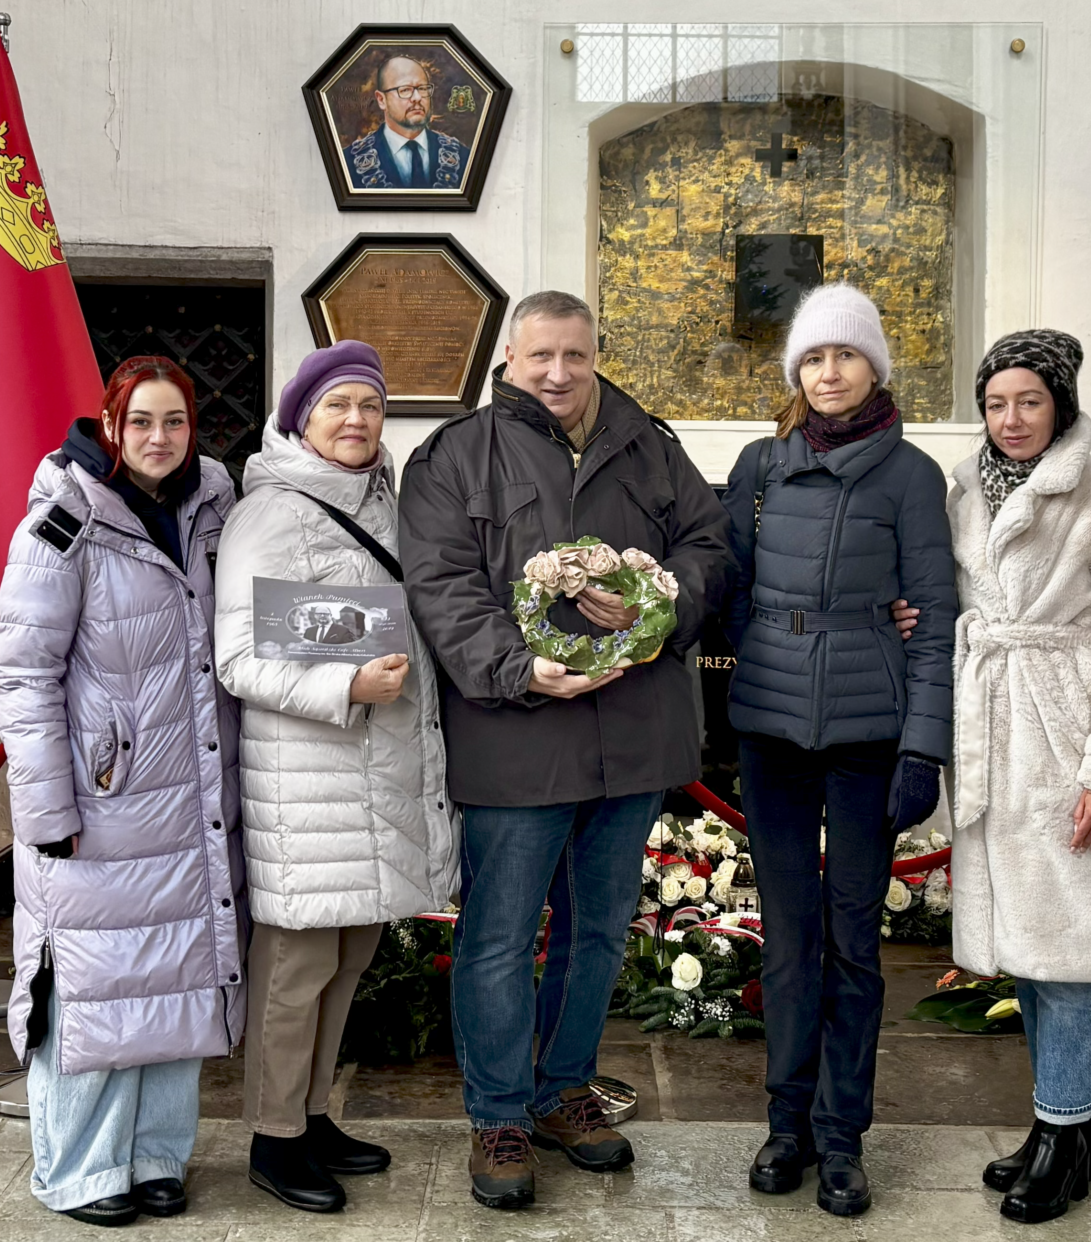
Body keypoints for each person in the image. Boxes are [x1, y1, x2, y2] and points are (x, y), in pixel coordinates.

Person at [400, 291, 734, 1210]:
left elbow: (709, 545)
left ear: (595, 356)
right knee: (502, 936)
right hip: (517, 735)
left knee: (596, 930)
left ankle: (563, 1091)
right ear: (509, 356)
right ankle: (500, 1113)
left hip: (633, 736)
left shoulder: (650, 445)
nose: (557, 373)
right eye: (540, 355)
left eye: (575, 356)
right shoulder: (454, 457)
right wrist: (517, 669)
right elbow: (440, 584)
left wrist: (663, 605)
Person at [720, 285, 958, 1218]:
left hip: (868, 737)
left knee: (853, 943)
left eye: (845, 357)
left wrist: (922, 747)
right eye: (813, 359)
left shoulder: (909, 476)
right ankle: (787, 1125)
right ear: (797, 372)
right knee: (787, 941)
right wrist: (756, 662)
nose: (828, 374)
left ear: (874, 368)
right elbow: (729, 583)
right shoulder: (760, 466)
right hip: (772, 732)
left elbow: (933, 615)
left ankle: (844, 1134)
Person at [0, 355, 244, 1229]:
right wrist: (45, 810)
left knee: (177, 976)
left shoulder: (213, 507)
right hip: (100, 800)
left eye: (174, 421)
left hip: (189, 793)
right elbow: (22, 674)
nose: (159, 438)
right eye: (141, 421)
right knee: (95, 986)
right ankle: (79, 1170)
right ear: (110, 425)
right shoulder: (62, 524)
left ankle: (154, 1155)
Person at [213, 341, 458, 1214]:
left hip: (373, 770)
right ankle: (273, 1139)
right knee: (298, 964)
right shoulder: (272, 512)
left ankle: (313, 1114)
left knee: (350, 954)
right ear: (300, 418)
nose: (356, 421)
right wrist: (345, 683)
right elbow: (238, 656)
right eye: (337, 406)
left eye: (369, 405)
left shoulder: (386, 501)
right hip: (307, 781)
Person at [947, 330, 1091, 1224]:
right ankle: (1051, 1127)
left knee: (1069, 955)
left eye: (1029, 402)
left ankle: (1071, 1138)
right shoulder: (963, 490)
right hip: (996, 736)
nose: (1011, 420)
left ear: (1062, 403)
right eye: (996, 403)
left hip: (1066, 737)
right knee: (1030, 953)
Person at [342, 55, 468, 190]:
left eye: (423, 88)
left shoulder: (462, 158)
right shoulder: (348, 164)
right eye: (405, 90)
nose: (417, 98)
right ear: (381, 100)